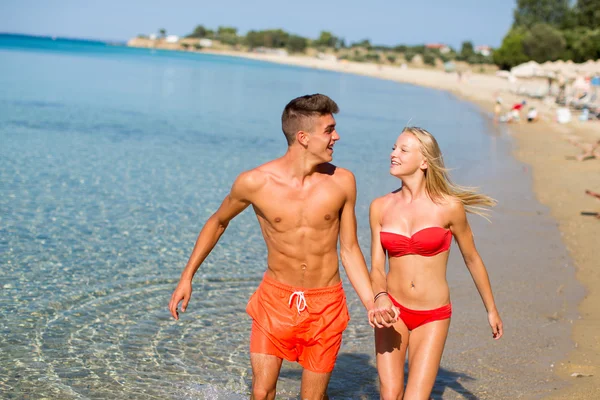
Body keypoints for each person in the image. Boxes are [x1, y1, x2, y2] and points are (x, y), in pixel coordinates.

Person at [168, 94, 391, 400]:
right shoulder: (255, 182)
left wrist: (371, 303)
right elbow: (218, 222)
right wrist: (186, 277)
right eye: (329, 130)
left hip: (325, 304)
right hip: (275, 300)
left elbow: (350, 249)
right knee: (262, 392)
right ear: (303, 137)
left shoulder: (343, 182)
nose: (336, 136)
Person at [369, 126, 504, 399]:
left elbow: (472, 258)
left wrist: (491, 309)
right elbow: (375, 266)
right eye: (394, 148)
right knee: (390, 393)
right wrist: (381, 297)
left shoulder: (449, 207)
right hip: (392, 311)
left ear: (424, 162)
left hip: (432, 314)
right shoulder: (380, 207)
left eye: (403, 150)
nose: (393, 154)